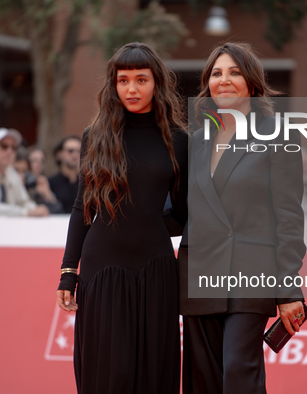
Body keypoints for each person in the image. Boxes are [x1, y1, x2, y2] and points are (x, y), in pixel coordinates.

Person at [55, 42, 188, 394]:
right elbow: (83, 207)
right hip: (103, 267)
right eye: (123, 80)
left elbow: (186, 210)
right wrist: (69, 272)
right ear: (113, 85)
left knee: (152, 371)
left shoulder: (178, 140)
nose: (131, 89)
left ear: (156, 83)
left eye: (141, 80)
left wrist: (153, 227)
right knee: (108, 372)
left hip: (157, 269)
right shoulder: (94, 137)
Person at [180, 42, 306, 394]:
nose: (224, 80)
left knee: (238, 371)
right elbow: (177, 211)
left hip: (252, 272)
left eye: (234, 72)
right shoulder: (196, 140)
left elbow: (289, 218)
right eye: (216, 74)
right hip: (200, 271)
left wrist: (288, 288)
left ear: (251, 82)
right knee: (203, 379)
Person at [0, 128, 49, 217]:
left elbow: (24, 201)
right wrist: (26, 212)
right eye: (4, 146)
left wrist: (36, 209)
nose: (9, 151)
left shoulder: (11, 172)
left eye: (13, 147)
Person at [14, 146, 63, 214]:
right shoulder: (12, 181)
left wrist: (48, 195)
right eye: (34, 160)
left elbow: (57, 211)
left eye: (42, 161)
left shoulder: (45, 183)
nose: (38, 164)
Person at [49, 136, 81, 213]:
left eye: (79, 151)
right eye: (70, 151)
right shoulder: (50, 183)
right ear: (59, 154)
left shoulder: (89, 183)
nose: (75, 155)